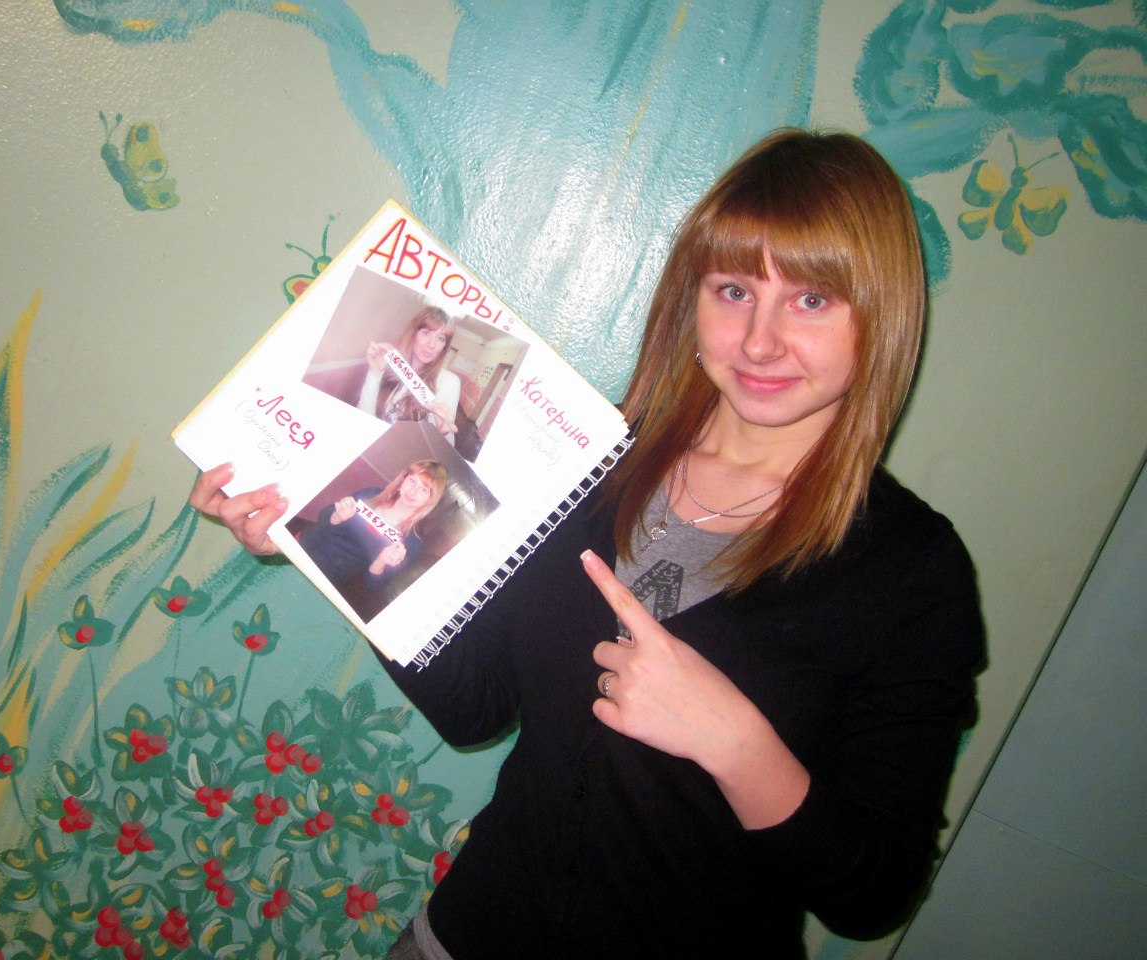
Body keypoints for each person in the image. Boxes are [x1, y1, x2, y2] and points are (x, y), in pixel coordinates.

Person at [189, 128, 984, 959]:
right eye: (734, 290)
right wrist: (322, 535)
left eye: (812, 300)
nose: (760, 340)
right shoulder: (588, 461)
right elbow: (474, 703)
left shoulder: (910, 571)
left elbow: (874, 896)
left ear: (880, 315)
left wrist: (736, 742)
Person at [294, 459, 448, 595]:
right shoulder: (371, 494)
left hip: (322, 577)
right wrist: (338, 516)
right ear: (403, 479)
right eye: (412, 480)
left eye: (424, 489)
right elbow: (324, 517)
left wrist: (381, 560)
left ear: (430, 499)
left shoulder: (411, 543)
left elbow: (372, 586)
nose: (413, 491)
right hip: (303, 545)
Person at [356, 305, 461, 440]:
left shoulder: (449, 382)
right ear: (413, 333)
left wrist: (440, 434)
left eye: (441, 338)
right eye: (426, 333)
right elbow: (363, 421)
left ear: (444, 346)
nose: (432, 345)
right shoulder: (388, 365)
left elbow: (448, 444)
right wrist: (375, 373)